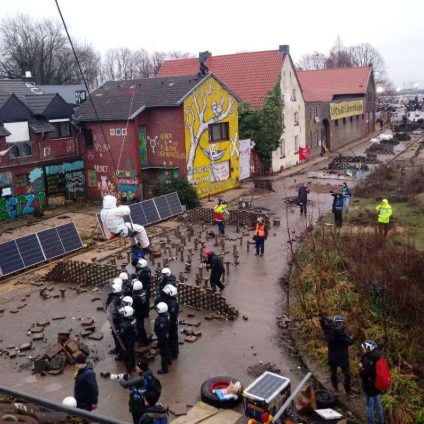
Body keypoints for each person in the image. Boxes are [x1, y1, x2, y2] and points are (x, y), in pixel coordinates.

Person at [117, 359, 160, 424]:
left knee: (137, 420)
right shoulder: (149, 374)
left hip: (138, 405)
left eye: (138, 367)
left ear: (142, 369)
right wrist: (129, 379)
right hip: (145, 402)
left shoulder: (140, 379)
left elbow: (125, 384)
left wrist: (120, 379)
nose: (136, 367)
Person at [320, 314, 353, 396]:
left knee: (334, 373)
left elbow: (324, 327)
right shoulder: (342, 334)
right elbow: (349, 342)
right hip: (342, 357)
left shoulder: (329, 332)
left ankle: (336, 389)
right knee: (347, 374)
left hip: (333, 356)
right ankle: (347, 390)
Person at [359, 340, 384, 424]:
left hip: (370, 387)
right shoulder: (378, 356)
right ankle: (381, 421)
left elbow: (364, 375)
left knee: (370, 407)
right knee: (378, 406)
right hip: (378, 385)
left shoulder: (368, 359)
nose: (362, 349)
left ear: (368, 349)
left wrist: (361, 368)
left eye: (363, 348)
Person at [117, 305, 137, 374]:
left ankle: (129, 371)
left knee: (127, 357)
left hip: (127, 342)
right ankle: (133, 367)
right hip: (132, 339)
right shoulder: (133, 319)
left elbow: (121, 334)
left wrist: (118, 331)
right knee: (132, 353)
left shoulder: (124, 325)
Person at [162, 284, 179, 360]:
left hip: (172, 323)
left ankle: (173, 353)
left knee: (172, 338)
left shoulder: (172, 304)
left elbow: (172, 316)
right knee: (173, 338)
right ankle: (174, 351)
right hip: (172, 322)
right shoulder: (171, 301)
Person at [106, 281, 124, 355]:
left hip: (116, 317)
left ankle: (118, 349)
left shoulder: (114, 298)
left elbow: (110, 306)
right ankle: (119, 348)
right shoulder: (122, 293)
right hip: (122, 316)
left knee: (116, 333)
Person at [154, 302, 170, 375]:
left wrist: (159, 343)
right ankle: (168, 361)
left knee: (163, 353)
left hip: (163, 338)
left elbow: (161, 333)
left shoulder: (161, 320)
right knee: (166, 350)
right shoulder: (166, 315)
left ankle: (164, 369)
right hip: (166, 336)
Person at [132, 280, 149, 345]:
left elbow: (133, 305)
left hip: (138, 313)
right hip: (144, 311)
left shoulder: (135, 296)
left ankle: (144, 340)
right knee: (140, 325)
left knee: (140, 326)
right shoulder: (145, 292)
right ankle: (140, 336)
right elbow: (147, 302)